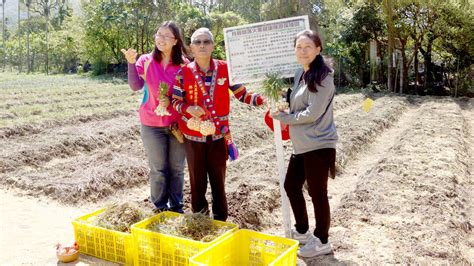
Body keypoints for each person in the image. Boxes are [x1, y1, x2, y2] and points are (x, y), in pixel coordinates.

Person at [172, 28, 265, 221]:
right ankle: (200, 219)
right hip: (193, 136)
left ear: (213, 46)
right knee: (197, 181)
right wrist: (188, 109)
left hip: (218, 135)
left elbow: (242, 94)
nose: (202, 45)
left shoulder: (225, 69)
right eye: (197, 42)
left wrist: (264, 99)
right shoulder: (183, 72)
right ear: (191, 48)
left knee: (218, 180)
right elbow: (175, 101)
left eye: (206, 41)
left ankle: (220, 219)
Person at [272, 29, 338, 257]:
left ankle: (322, 240)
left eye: (308, 47)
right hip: (302, 144)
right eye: (299, 47)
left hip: (319, 144)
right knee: (291, 185)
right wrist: (281, 103)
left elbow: (312, 113)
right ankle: (302, 231)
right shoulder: (301, 73)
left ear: (318, 49)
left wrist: (285, 118)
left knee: (317, 193)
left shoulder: (323, 75)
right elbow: (296, 103)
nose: (303, 51)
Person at [121, 21, 188, 213]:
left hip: (177, 124)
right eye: (159, 34)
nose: (161, 39)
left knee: (177, 169)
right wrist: (131, 63)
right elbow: (135, 86)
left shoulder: (184, 65)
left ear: (176, 41)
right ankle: (159, 207)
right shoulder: (146, 60)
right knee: (158, 169)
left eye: (167, 36)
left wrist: (171, 100)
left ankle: (176, 207)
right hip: (151, 124)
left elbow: (189, 94)